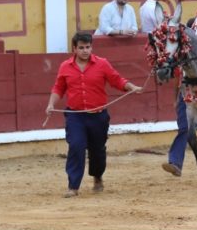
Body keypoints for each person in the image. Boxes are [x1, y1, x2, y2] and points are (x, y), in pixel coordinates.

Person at [45, 32, 142, 198]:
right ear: (74, 49)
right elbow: (58, 88)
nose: (85, 51)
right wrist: (51, 104)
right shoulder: (65, 67)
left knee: (97, 150)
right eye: (81, 48)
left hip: (98, 115)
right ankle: (73, 186)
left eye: (88, 47)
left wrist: (131, 87)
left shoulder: (102, 64)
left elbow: (117, 80)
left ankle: (97, 176)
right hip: (75, 115)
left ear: (92, 47)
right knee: (76, 146)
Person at [162, 16, 197, 177]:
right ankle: (175, 163)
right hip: (185, 95)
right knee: (185, 128)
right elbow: (178, 79)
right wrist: (175, 99)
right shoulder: (182, 53)